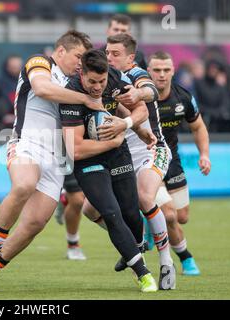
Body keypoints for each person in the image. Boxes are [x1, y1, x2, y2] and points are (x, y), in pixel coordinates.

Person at [0, 30, 100, 293]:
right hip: (27, 142)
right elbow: (42, 89)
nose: (81, 63)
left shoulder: (77, 81)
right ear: (61, 50)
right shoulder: (39, 62)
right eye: (78, 56)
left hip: (57, 158)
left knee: (35, 224)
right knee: (24, 185)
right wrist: (86, 99)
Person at [60, 49, 157, 292]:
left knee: (132, 213)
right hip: (89, 158)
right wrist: (112, 141)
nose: (97, 87)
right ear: (81, 72)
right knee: (111, 212)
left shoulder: (115, 77)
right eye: (92, 81)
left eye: (101, 82)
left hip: (118, 152)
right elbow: (76, 150)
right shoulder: (70, 94)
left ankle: (130, 253)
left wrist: (127, 124)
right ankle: (142, 272)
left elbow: (142, 109)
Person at [94, 33, 175, 289]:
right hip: (123, 155)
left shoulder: (135, 74)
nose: (109, 58)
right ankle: (134, 242)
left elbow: (150, 90)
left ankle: (166, 263)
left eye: (115, 54)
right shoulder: (104, 80)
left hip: (153, 148)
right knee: (89, 209)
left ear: (130, 57)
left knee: (145, 198)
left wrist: (139, 94)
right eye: (107, 53)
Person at [148, 51, 211, 276]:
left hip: (172, 162)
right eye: (157, 70)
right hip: (148, 162)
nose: (162, 75)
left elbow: (198, 127)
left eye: (166, 70)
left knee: (182, 216)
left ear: (174, 71)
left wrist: (204, 154)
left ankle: (149, 218)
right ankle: (186, 258)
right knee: (169, 215)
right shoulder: (140, 97)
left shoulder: (183, 97)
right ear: (148, 71)